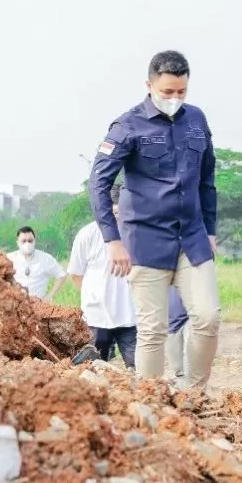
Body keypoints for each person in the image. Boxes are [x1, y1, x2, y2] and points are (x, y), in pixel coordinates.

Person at [88, 50, 220, 390]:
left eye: (181, 92)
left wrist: (211, 230)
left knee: (207, 317)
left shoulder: (197, 120)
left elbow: (207, 180)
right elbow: (99, 182)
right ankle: (150, 400)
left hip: (191, 237)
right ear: (149, 85)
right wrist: (112, 239)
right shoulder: (127, 125)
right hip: (145, 240)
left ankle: (193, 393)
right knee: (153, 329)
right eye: (167, 92)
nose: (175, 99)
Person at [68, 184, 137, 370]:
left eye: (120, 210)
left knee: (140, 370)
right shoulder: (87, 234)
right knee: (94, 369)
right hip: (96, 317)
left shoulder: (136, 232)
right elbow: (76, 273)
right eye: (112, 210)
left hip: (131, 315)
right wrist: (95, 295)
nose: (116, 215)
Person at [7, 226, 67, 301]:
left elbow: (62, 275)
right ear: (17, 242)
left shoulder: (45, 258)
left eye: (30, 240)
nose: (27, 244)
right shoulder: (9, 258)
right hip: (16, 304)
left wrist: (49, 296)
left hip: (38, 304)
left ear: (34, 241)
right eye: (23, 241)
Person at [165, 286, 190, 382]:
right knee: (179, 371)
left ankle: (195, 390)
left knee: (193, 370)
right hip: (171, 324)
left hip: (191, 318)